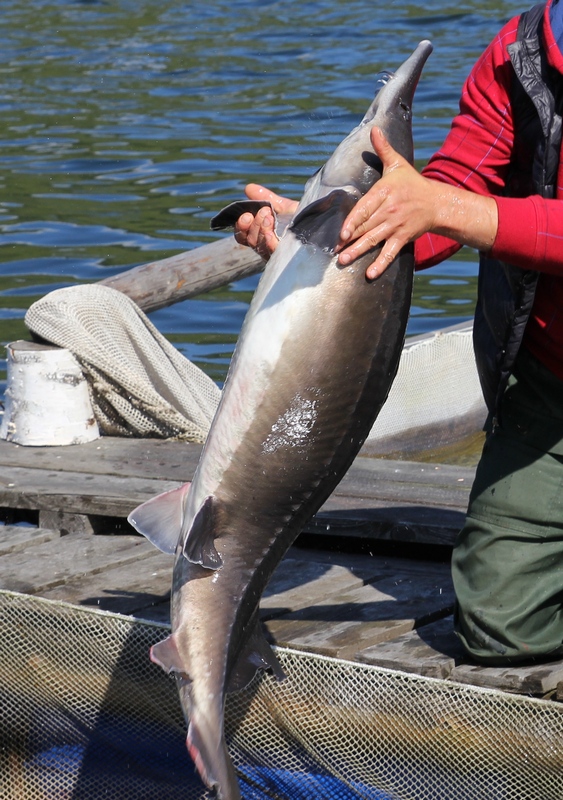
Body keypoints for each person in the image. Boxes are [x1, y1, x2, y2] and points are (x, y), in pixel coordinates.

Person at [233, 0, 563, 666]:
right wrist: (331, 228)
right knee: (498, 625)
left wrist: (443, 206)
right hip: (548, 384)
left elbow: (452, 206)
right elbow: (452, 186)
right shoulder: (520, 50)